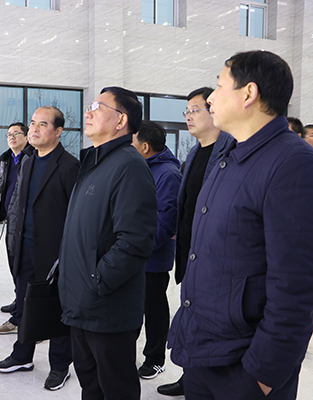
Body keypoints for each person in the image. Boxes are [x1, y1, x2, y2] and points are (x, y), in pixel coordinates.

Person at [168, 50, 313, 399]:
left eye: (219, 87)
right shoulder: (229, 155)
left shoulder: (292, 163)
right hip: (203, 350)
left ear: (249, 93)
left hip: (244, 364)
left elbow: (296, 284)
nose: (211, 99)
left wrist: (262, 374)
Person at [58, 87, 157, 399]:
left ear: (121, 120)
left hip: (107, 309)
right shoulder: (95, 162)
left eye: (98, 107)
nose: (88, 112)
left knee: (116, 390)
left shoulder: (129, 165)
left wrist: (96, 281)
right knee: (91, 388)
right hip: (82, 304)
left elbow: (136, 240)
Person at [0, 106, 79, 391]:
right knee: (25, 304)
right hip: (25, 247)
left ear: (58, 131)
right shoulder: (27, 162)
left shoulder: (69, 166)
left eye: (43, 124)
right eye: (32, 123)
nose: (34, 129)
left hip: (54, 253)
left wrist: (68, 254)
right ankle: (22, 356)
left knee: (57, 309)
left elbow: (75, 215)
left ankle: (60, 366)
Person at [157, 87, 234, 397]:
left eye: (195, 110)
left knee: (207, 321)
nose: (188, 116)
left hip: (212, 254)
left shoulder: (229, 153)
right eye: (186, 111)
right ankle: (189, 375)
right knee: (190, 315)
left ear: (213, 110)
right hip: (189, 250)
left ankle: (203, 379)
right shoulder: (193, 153)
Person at [131, 120, 181, 380]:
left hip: (152, 257)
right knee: (133, 308)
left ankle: (155, 359)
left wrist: (142, 249)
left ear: (146, 147)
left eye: (133, 142)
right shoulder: (141, 166)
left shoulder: (168, 174)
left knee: (154, 309)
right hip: (132, 253)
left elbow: (166, 220)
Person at [0, 122, 32, 335]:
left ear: (26, 137)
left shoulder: (31, 158)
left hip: (25, 222)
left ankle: (23, 316)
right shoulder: (6, 159)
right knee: (14, 265)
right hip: (11, 219)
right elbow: (3, 188)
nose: (12, 137)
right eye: (9, 134)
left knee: (23, 267)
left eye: (17, 133)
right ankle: (19, 300)